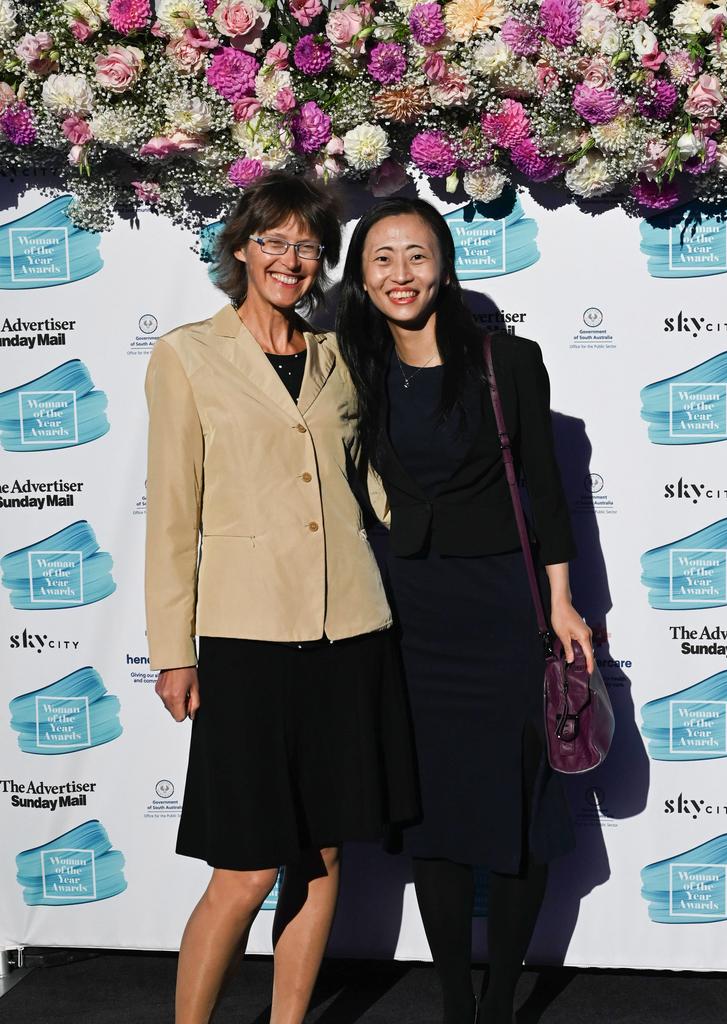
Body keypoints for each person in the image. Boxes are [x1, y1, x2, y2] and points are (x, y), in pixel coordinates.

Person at [144, 173, 418, 1024]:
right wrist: (173, 651)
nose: (291, 259)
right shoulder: (189, 354)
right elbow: (171, 512)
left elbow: (373, 486)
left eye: (306, 246)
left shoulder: (336, 358)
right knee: (247, 867)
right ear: (240, 250)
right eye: (274, 242)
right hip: (247, 637)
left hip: (350, 632)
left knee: (325, 853)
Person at [337, 197, 593, 1024]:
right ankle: (456, 1004)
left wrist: (562, 603)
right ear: (361, 275)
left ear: (444, 265)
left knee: (517, 810)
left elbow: (547, 495)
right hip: (407, 616)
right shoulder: (351, 365)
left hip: (501, 614)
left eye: (416, 256)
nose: (399, 274)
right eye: (382, 258)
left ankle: (498, 1007)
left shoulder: (507, 360)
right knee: (434, 814)